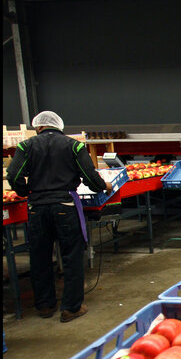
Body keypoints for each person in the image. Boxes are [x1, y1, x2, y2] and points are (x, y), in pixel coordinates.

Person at [6, 111, 112, 322]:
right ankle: (71, 308)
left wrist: (25, 191)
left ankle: (45, 305)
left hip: (37, 207)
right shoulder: (73, 146)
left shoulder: (26, 146)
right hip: (64, 205)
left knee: (40, 256)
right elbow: (89, 174)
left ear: (38, 127)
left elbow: (14, 175)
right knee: (71, 255)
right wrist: (103, 186)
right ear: (59, 126)